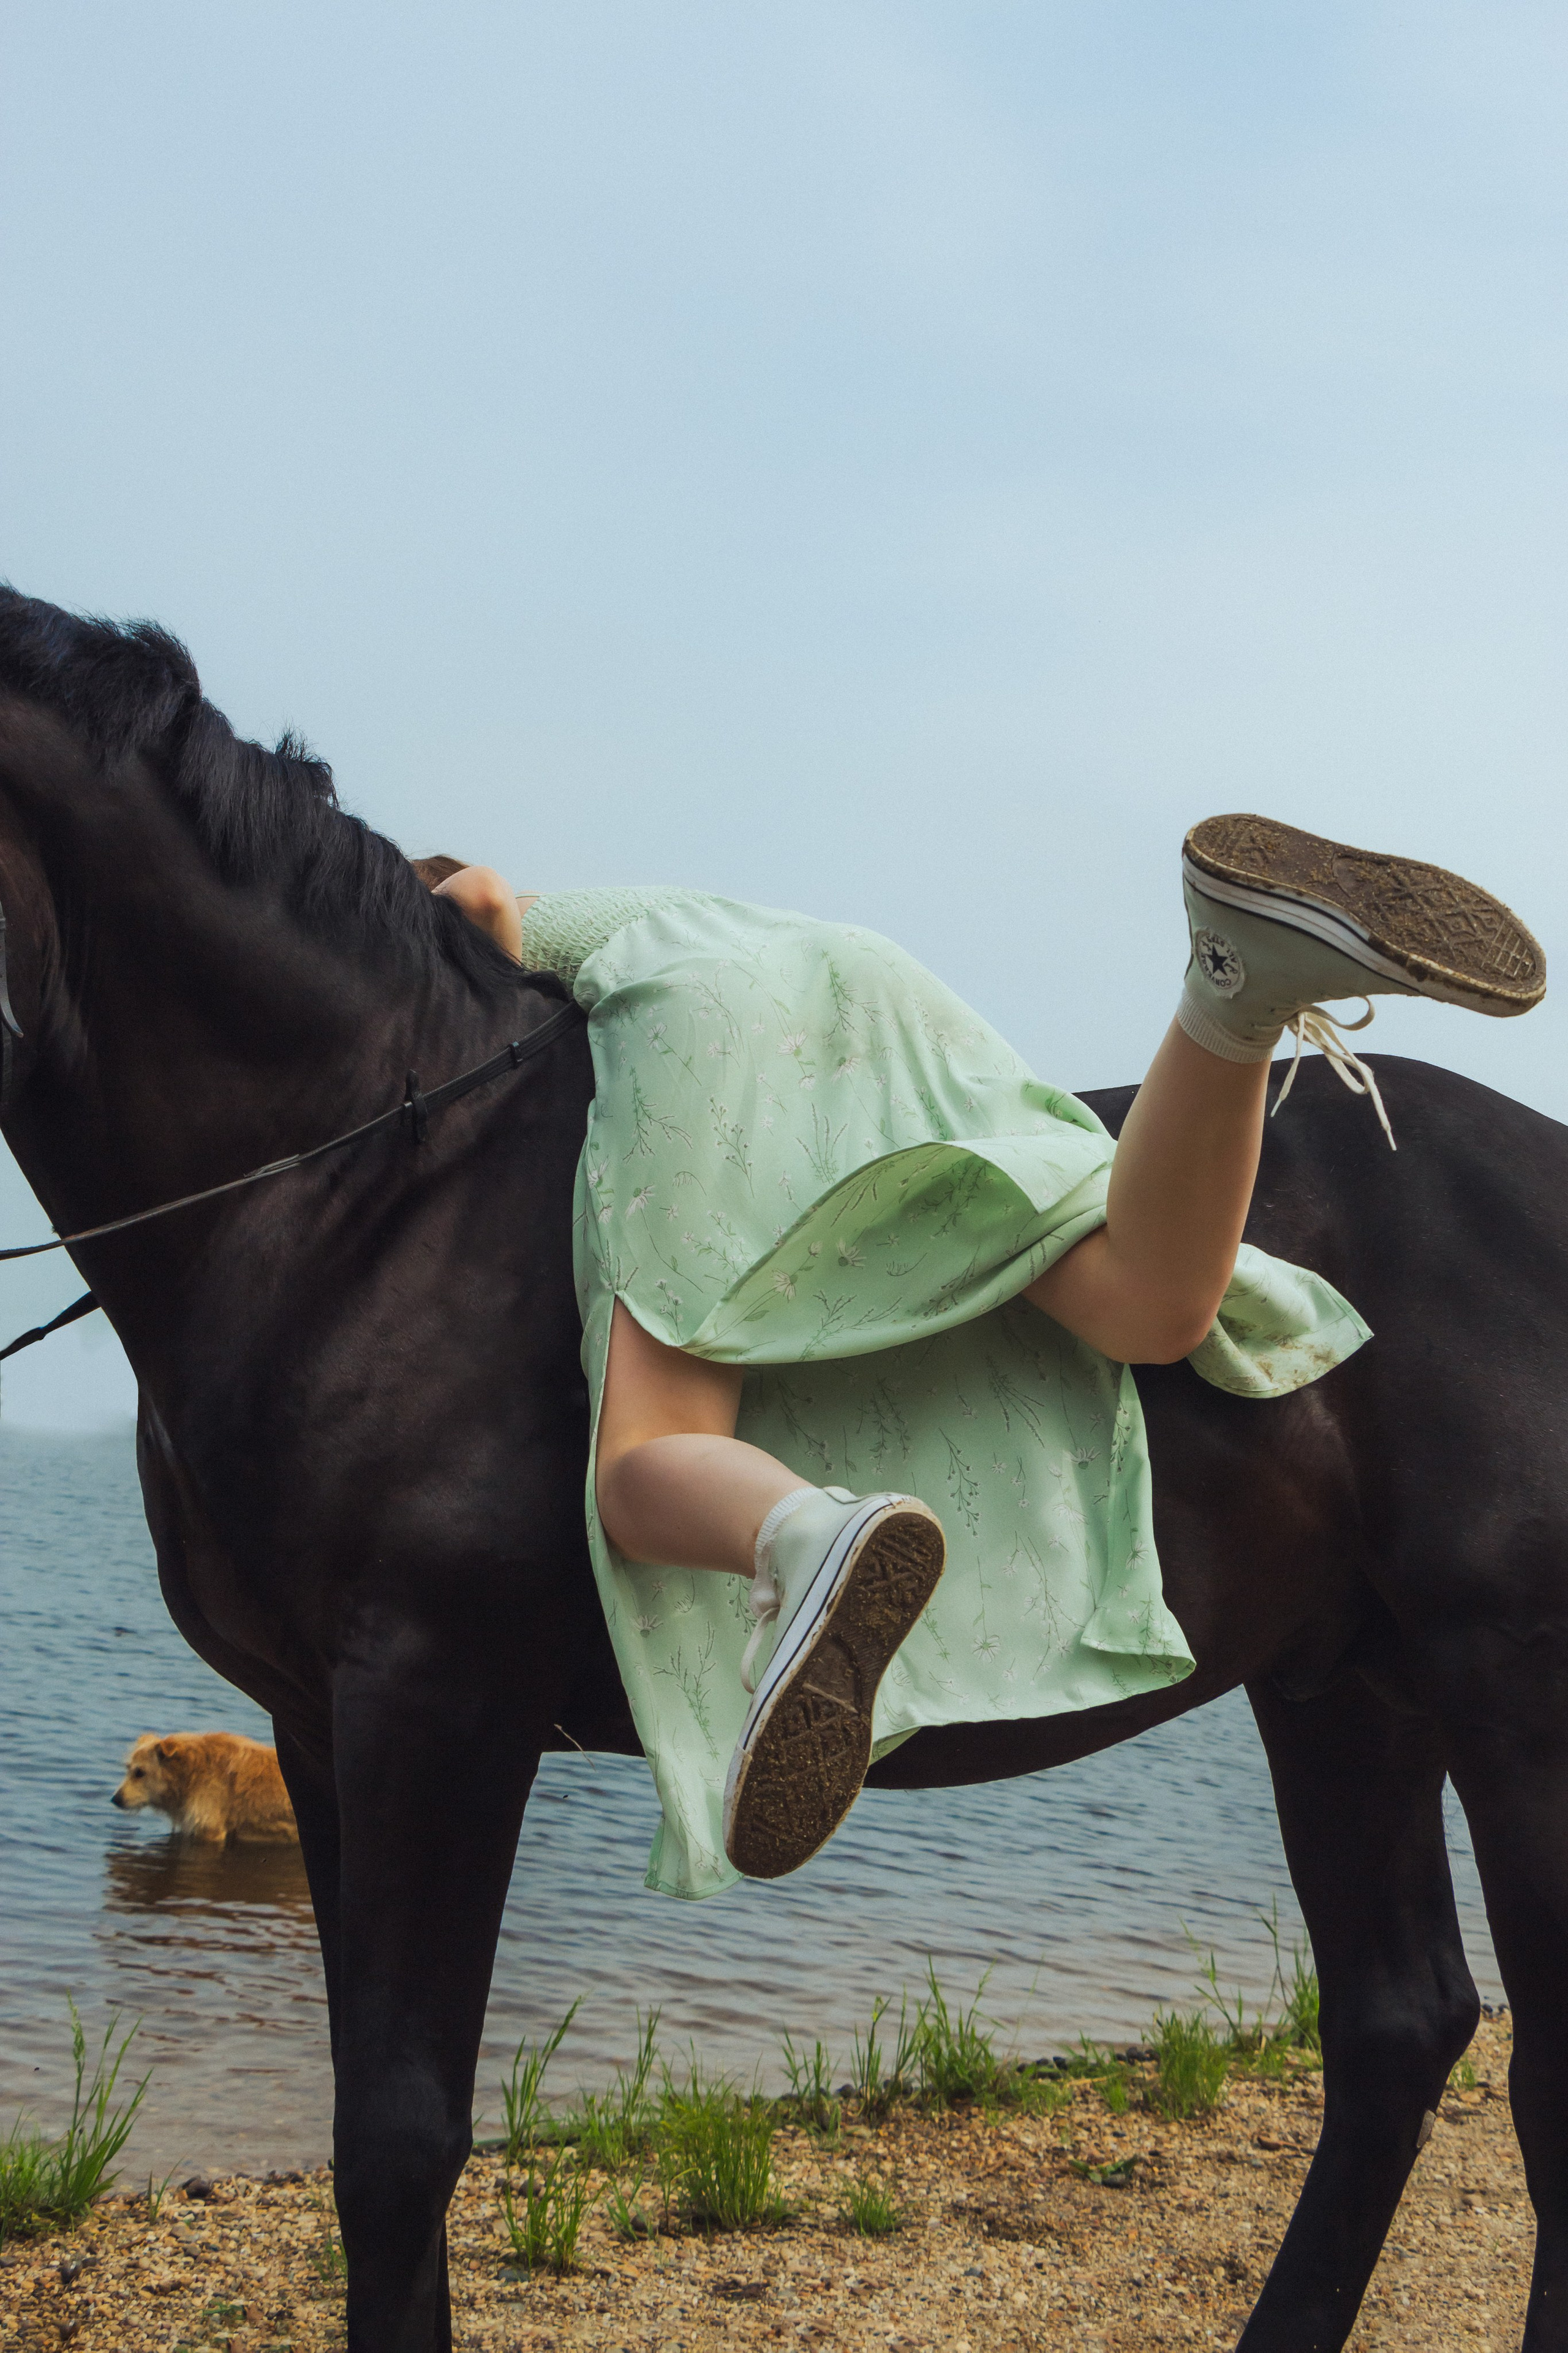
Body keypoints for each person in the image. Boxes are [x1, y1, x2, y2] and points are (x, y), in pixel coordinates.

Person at [411, 821, 1544, 1889]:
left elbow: (481, 899)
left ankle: (808, 1535)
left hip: (704, 1028)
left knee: (642, 1463)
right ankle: (1237, 989)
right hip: (876, 998)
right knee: (1145, 1306)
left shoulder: (567, 928)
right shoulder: (698, 908)